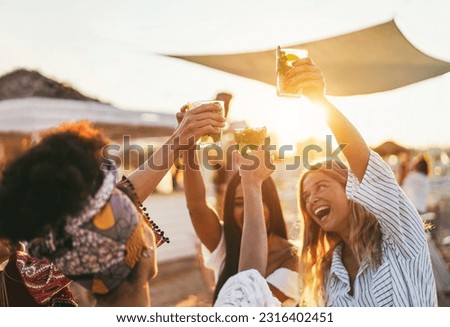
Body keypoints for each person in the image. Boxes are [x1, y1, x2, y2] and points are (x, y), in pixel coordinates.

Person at [0, 104, 225, 307]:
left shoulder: (24, 278)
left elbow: (114, 206)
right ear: (143, 249)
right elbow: (115, 205)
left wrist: (180, 140)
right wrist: (179, 140)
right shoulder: (21, 281)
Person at [287, 57, 438, 306]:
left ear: (353, 189)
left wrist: (319, 101)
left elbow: (367, 167)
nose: (312, 198)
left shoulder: (398, 237)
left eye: (321, 186)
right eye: (305, 196)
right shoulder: (328, 274)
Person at [177, 106, 300, 306]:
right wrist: (188, 144)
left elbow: (250, 302)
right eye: (237, 203)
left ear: (272, 204)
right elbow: (196, 205)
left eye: (255, 199)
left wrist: (252, 181)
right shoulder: (228, 245)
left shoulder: (293, 257)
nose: (244, 209)